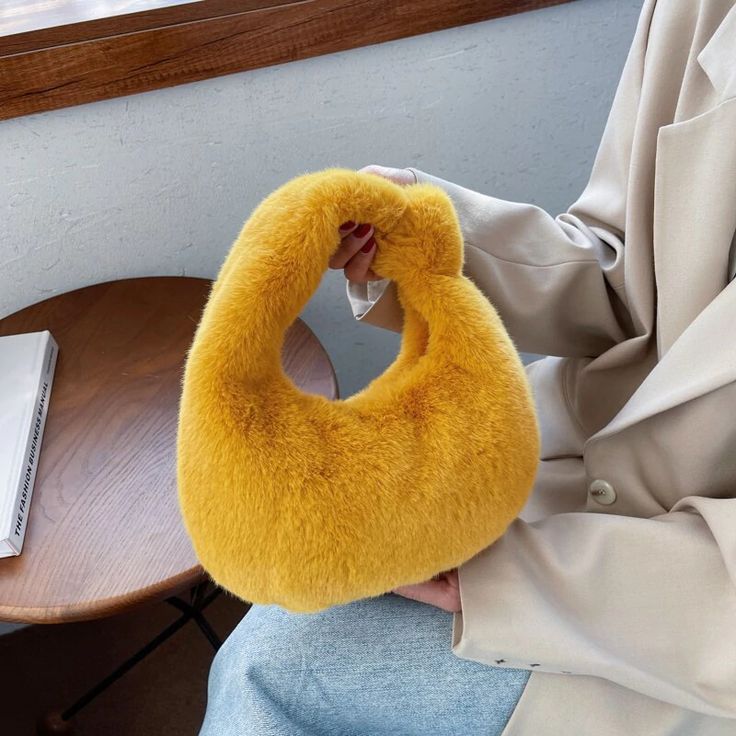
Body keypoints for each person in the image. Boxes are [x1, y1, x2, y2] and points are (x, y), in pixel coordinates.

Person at [199, 0, 736, 733]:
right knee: (286, 616)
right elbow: (618, 270)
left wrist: (493, 577)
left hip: (682, 627)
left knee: (276, 670)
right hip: (572, 457)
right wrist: (428, 235)